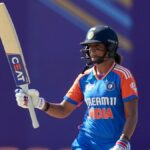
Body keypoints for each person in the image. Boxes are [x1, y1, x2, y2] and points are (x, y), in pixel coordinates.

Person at [15, 25, 138, 150]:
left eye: (97, 46)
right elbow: (63, 110)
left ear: (110, 48)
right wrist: (39, 103)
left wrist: (123, 143)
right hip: (84, 143)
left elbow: (132, 115)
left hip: (113, 144)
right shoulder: (84, 77)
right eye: (90, 47)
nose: (92, 51)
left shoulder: (123, 75)